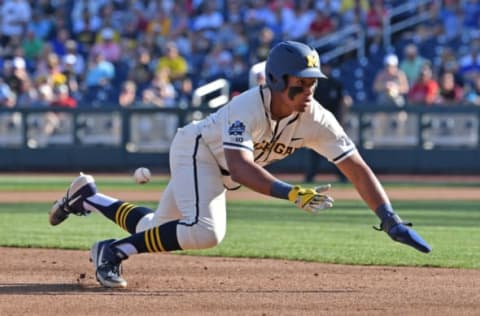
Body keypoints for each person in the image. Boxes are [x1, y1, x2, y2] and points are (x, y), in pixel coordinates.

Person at [49, 41, 431, 289]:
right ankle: (113, 253)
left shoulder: (317, 118)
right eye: (301, 83)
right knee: (205, 231)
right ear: (277, 81)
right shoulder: (249, 106)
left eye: (313, 83)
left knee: (157, 229)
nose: (309, 91)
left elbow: (355, 167)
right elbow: (241, 166)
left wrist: (389, 217)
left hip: (219, 172)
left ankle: (88, 197)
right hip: (197, 152)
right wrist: (290, 193)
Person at [304, 60, 350, 183]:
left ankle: (342, 176)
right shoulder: (314, 84)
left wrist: (342, 120)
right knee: (315, 152)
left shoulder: (336, 83)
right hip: (316, 123)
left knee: (336, 151)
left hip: (332, 123)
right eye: (324, 67)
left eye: (328, 67)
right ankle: (310, 177)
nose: (326, 69)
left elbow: (343, 102)